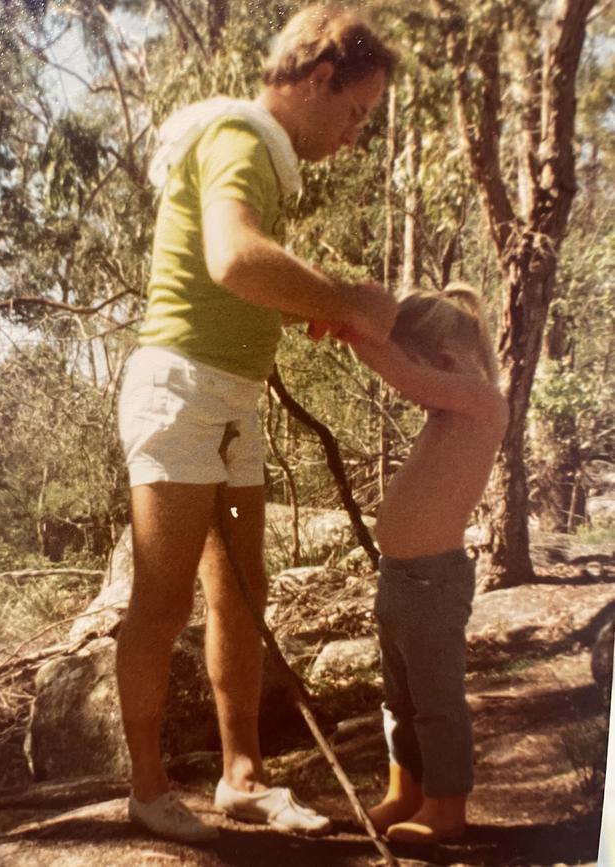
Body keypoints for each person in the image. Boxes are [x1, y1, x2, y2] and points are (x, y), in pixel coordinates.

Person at [116, 3, 397, 844]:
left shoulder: (264, 159)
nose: (352, 136)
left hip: (231, 398)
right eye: (352, 113)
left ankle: (242, 778)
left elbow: (249, 275)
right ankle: (147, 789)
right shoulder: (238, 136)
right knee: (162, 602)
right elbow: (232, 256)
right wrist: (347, 299)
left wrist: (315, 301)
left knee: (242, 596)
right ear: (318, 80)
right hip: (181, 392)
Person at [350, 284, 509, 844]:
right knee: (400, 697)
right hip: (398, 578)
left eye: (425, 379)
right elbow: (414, 380)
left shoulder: (483, 401)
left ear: (444, 362)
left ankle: (447, 805)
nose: (419, 398)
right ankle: (407, 791)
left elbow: (409, 378)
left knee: (436, 698)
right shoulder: (448, 408)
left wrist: (353, 327)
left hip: (433, 579)